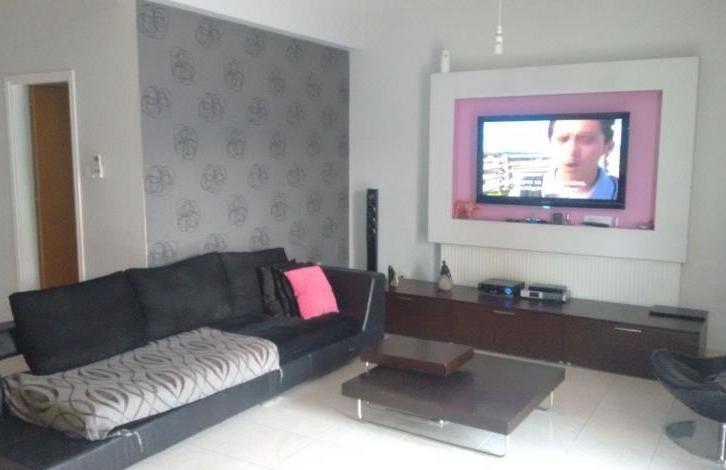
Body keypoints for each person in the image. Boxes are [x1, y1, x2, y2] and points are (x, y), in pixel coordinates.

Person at [540, 119, 619, 200]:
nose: (571, 150)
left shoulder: (625, 192)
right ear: (550, 144)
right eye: (562, 139)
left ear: (608, 147)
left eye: (586, 140)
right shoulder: (533, 188)